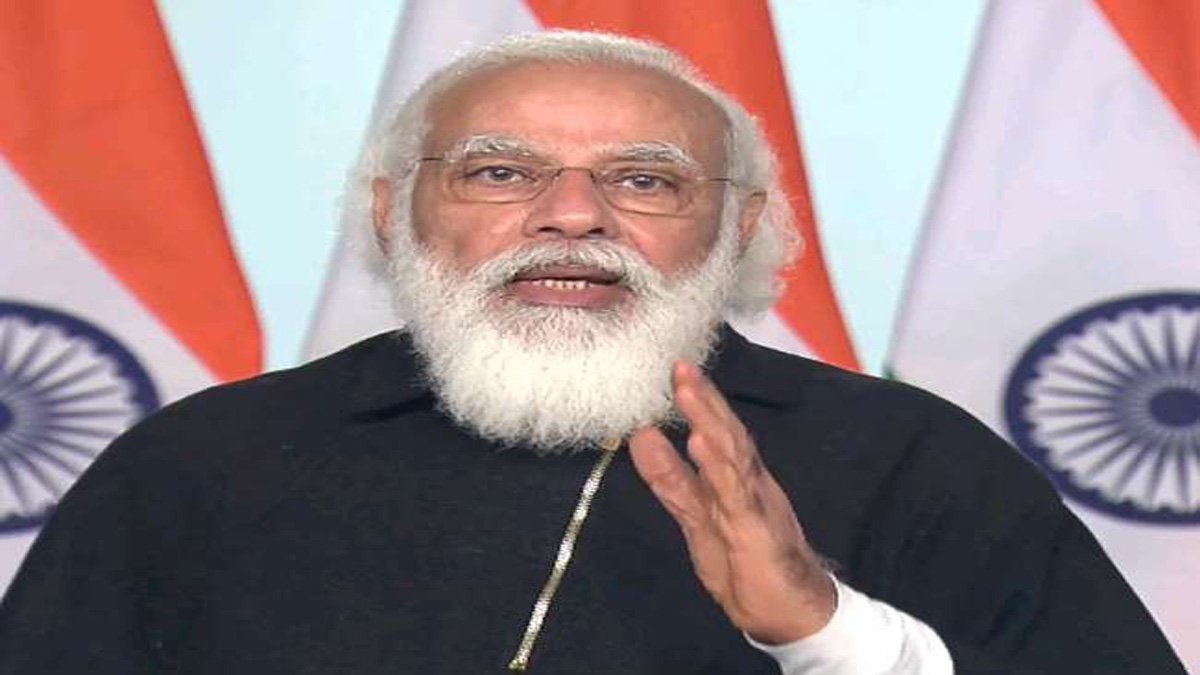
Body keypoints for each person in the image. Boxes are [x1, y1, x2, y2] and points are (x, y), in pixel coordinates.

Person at [0, 31, 1185, 675]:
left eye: (645, 181)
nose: (573, 216)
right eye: (500, 171)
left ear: (740, 231)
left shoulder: (908, 459)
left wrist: (830, 634)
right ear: (393, 215)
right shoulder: (205, 461)